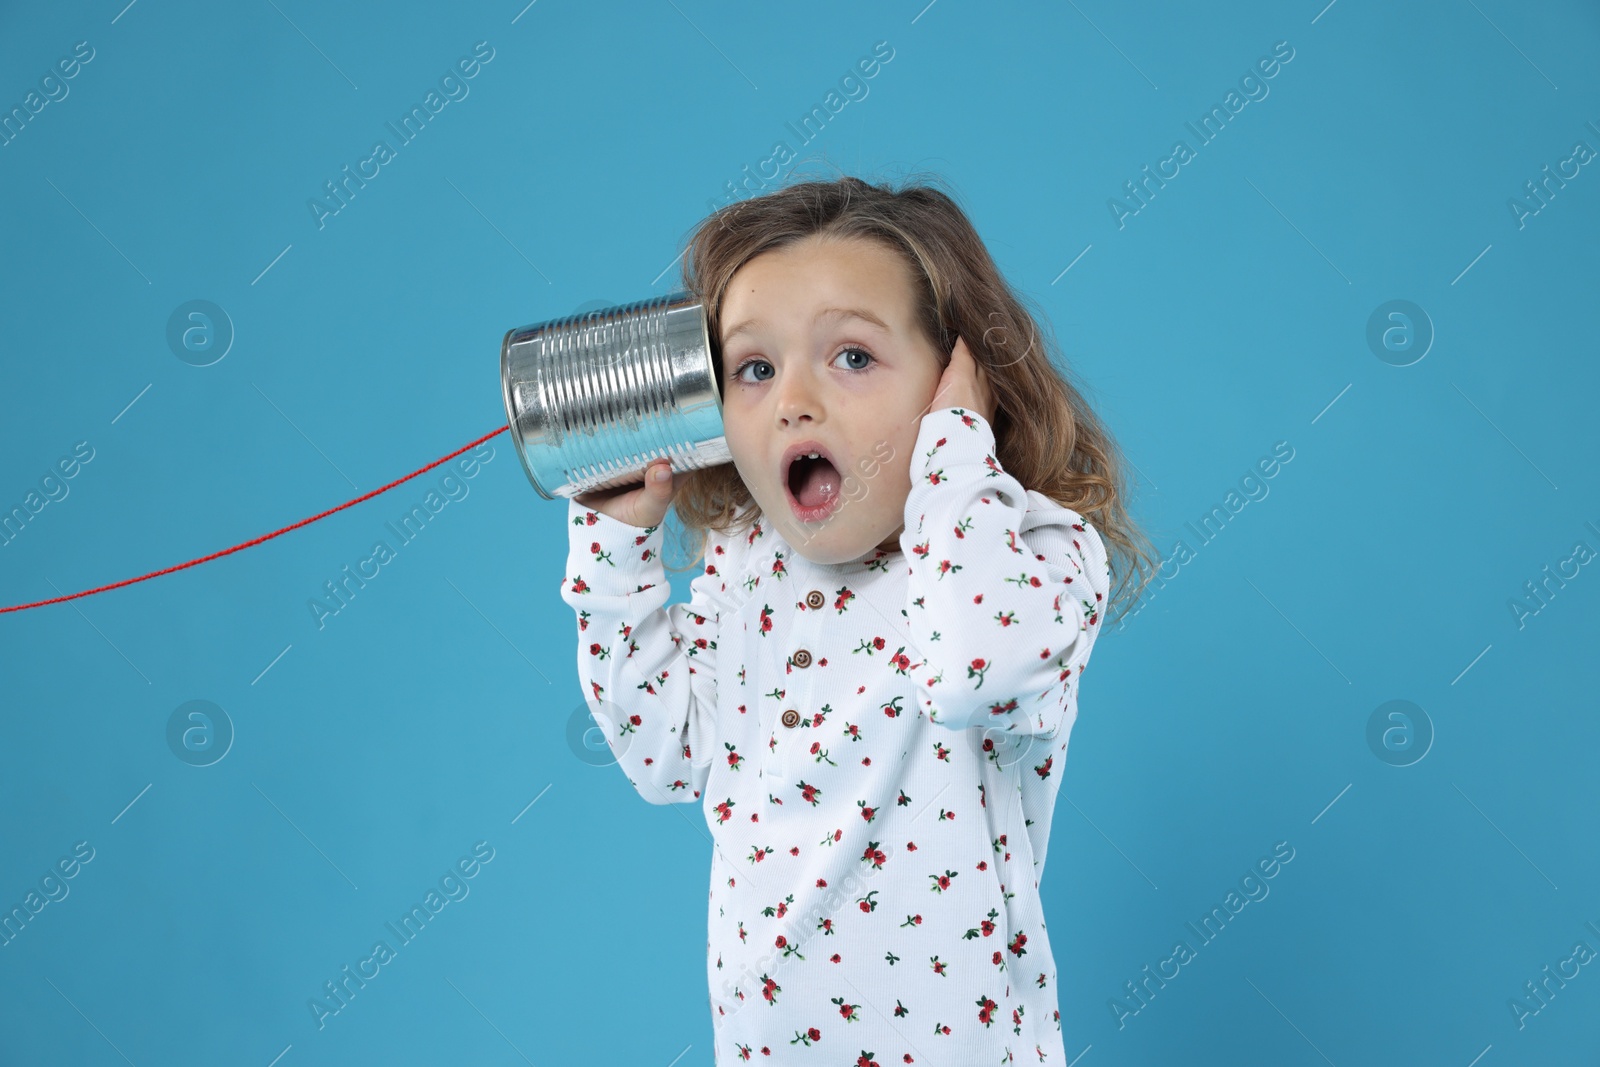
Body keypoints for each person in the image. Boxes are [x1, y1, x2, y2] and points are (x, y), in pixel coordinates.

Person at [559, 173, 1156, 1065]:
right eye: (755, 368)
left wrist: (958, 447)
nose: (796, 398)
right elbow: (667, 753)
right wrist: (612, 552)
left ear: (959, 380)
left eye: (852, 357)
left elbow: (970, 671)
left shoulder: (1031, 552)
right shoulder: (746, 561)